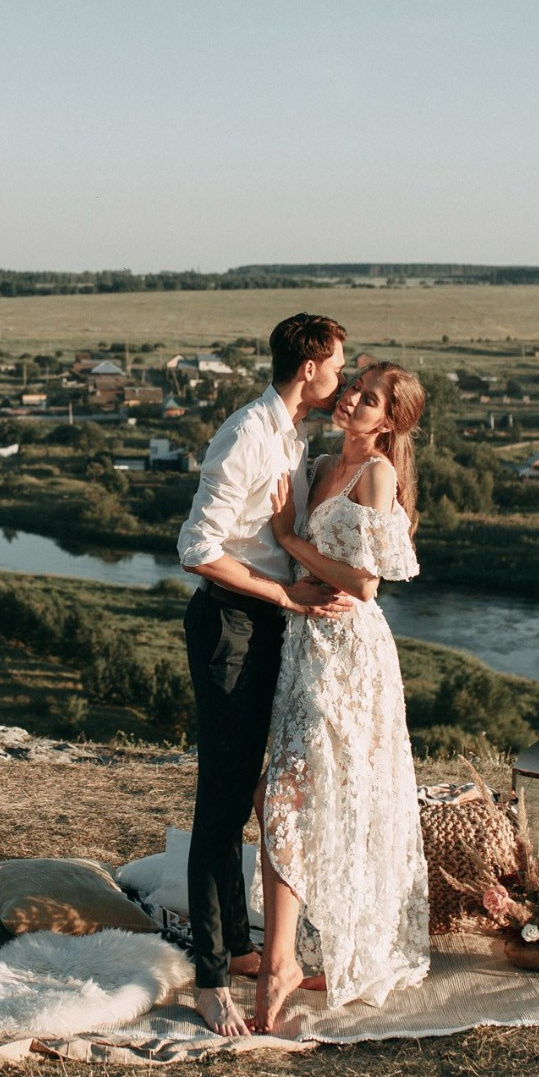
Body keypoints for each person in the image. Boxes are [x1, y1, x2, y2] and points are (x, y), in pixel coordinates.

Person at [175, 312, 353, 1037]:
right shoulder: (248, 434)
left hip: (270, 625)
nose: (342, 377)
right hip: (233, 626)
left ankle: (243, 952)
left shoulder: (293, 434)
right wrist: (286, 595)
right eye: (337, 365)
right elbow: (196, 546)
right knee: (220, 805)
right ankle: (210, 979)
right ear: (310, 367)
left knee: (249, 789)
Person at [252, 360, 431, 1034]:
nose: (352, 398)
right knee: (299, 795)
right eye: (354, 385)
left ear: (389, 421)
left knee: (290, 794)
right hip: (305, 645)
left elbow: (364, 585)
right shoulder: (324, 462)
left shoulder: (376, 475)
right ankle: (312, 952)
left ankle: (283, 964)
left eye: (370, 398)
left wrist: (288, 539)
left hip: (349, 655)